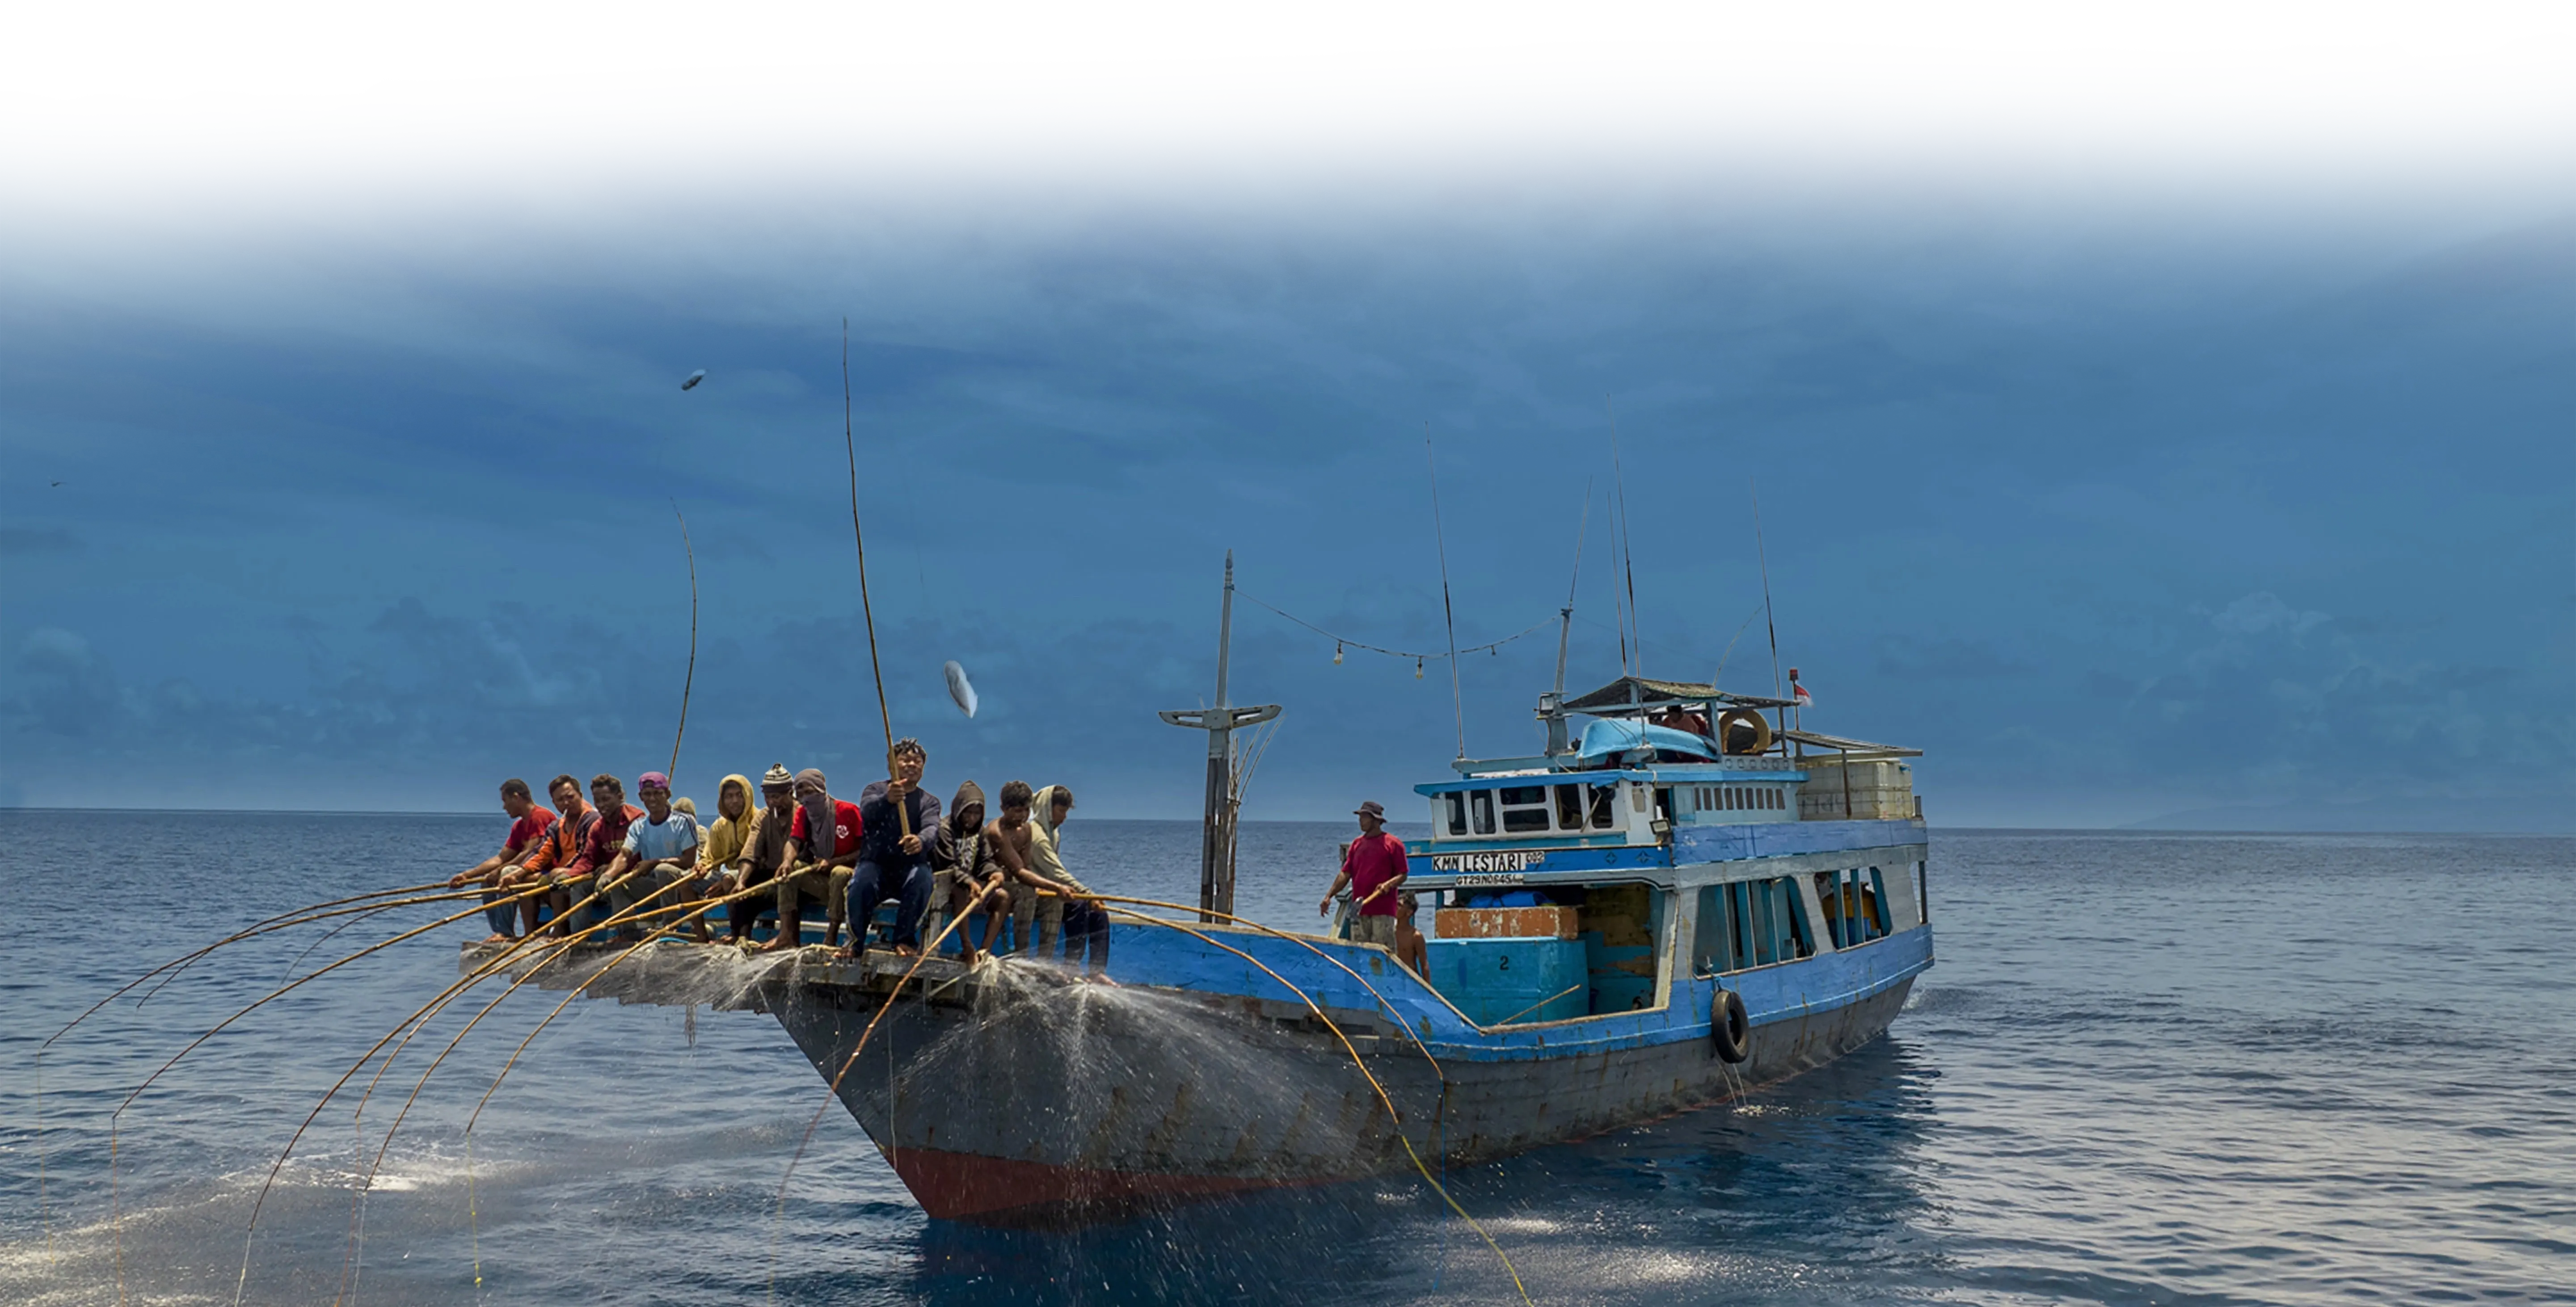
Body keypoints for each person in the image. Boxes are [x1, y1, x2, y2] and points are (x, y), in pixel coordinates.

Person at [846, 740, 941, 959]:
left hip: (909, 867)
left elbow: (932, 828)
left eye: (917, 761)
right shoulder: (875, 790)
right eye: (905, 760)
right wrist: (887, 800)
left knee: (923, 879)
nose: (912, 765)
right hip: (876, 864)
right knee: (861, 883)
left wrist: (919, 841)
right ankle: (855, 942)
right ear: (892, 766)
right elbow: (866, 814)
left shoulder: (930, 801)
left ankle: (904, 940)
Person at [761, 768, 860, 952]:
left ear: (821, 789)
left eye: (810, 792)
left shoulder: (848, 811)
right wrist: (787, 862)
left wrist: (834, 862)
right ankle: (786, 935)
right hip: (823, 882)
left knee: (839, 873)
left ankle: (831, 936)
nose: (806, 798)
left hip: (852, 883)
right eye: (801, 794)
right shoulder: (804, 814)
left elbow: (867, 850)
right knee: (791, 871)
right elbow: (794, 841)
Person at [598, 771, 703, 943]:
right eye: (647, 794)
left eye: (658, 793)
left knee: (664, 870)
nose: (652, 799)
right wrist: (608, 875)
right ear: (641, 797)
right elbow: (625, 855)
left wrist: (655, 862)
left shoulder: (683, 822)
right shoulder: (639, 826)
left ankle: (671, 925)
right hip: (653, 887)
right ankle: (627, 932)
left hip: (681, 886)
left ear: (667, 795)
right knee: (619, 883)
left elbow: (689, 861)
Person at [450, 778, 556, 944]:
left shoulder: (540, 816)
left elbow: (531, 852)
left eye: (505, 801)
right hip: (527, 870)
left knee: (507, 873)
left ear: (516, 797)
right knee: (487, 882)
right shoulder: (519, 826)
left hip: (545, 870)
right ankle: (501, 931)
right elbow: (501, 858)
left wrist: (501, 870)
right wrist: (468, 875)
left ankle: (507, 933)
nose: (504, 807)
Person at [1024, 783, 1109, 979]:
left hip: (1050, 890)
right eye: (1061, 811)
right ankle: (1071, 966)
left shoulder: (1053, 833)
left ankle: (1098, 971)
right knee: (1079, 905)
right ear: (1048, 808)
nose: (1064, 817)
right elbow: (1057, 873)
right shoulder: (1037, 837)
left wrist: (1093, 899)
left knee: (1099, 914)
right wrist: (1088, 894)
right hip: (1034, 896)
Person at [497, 773, 595, 938]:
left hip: (586, 873)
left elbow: (586, 854)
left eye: (570, 797)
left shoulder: (591, 820)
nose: (566, 803)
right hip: (563, 874)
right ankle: (530, 934)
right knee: (522, 880)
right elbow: (541, 853)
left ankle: (561, 931)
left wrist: (568, 870)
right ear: (554, 803)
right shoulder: (558, 826)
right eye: (560, 800)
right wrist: (519, 873)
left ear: (580, 795)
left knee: (558, 879)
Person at [930, 780, 1012, 966]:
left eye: (977, 814)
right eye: (968, 812)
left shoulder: (980, 833)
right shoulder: (944, 830)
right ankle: (968, 946)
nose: (972, 818)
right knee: (961, 891)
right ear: (959, 809)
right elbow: (948, 866)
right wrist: (970, 882)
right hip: (944, 887)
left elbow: (985, 860)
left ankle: (985, 950)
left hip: (971, 885)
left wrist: (994, 872)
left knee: (1003, 897)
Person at [1319, 799, 1408, 950]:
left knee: (1382, 953)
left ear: (1376, 821)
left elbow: (1403, 875)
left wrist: (1388, 885)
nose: (1360, 821)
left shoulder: (1393, 844)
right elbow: (1345, 874)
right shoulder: (1357, 844)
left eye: (1364, 818)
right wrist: (1329, 896)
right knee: (1361, 953)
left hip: (1383, 911)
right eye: (1360, 817)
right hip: (1360, 910)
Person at [571, 774, 646, 939]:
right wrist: (568, 876)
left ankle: (627, 935)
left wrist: (610, 870)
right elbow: (588, 859)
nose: (601, 805)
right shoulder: (598, 827)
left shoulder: (636, 820)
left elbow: (636, 857)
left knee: (617, 883)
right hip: (606, 878)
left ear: (620, 797)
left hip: (634, 879)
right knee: (579, 887)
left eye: (606, 799)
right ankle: (578, 938)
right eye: (597, 801)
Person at [1395, 891, 1429, 977]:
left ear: (1409, 912)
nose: (1395, 907)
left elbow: (1424, 964)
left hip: (1410, 979)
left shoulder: (1416, 937)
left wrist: (1428, 989)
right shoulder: (1390, 932)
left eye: (1399, 905)